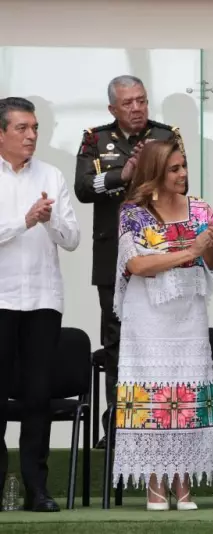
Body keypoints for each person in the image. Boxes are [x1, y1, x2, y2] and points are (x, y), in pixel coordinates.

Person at [74, 74, 185, 450]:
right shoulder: (95, 138)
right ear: (113, 109)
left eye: (141, 100)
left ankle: (158, 421)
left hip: (158, 251)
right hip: (112, 256)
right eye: (128, 103)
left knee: (160, 338)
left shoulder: (166, 135)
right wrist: (121, 175)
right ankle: (118, 426)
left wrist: (150, 170)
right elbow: (83, 188)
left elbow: (179, 185)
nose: (137, 109)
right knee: (116, 342)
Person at [111, 140, 213, 511]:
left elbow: (211, 260)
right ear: (156, 171)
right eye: (174, 168)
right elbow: (137, 266)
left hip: (188, 314)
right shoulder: (134, 213)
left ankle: (184, 479)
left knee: (185, 395)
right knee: (155, 394)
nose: (183, 174)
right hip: (148, 317)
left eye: (184, 166)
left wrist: (208, 245)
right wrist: (189, 251)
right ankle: (155, 482)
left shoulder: (200, 208)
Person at [0, 97, 80, 512]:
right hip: (1, 299)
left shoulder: (51, 174)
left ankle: (37, 489)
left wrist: (50, 220)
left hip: (44, 300)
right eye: (22, 129)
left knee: (37, 397)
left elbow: (71, 239)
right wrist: (24, 221)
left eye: (34, 128)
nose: (31, 135)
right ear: (1, 132)